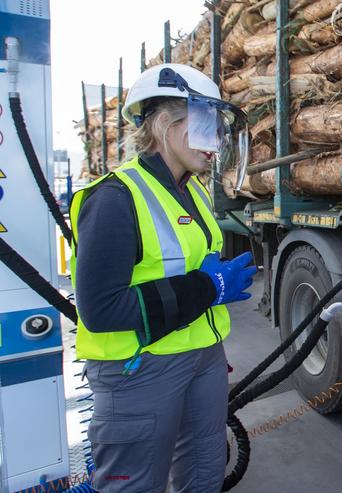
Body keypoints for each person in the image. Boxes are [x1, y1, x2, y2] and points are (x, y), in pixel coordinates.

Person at [69, 63, 256, 493]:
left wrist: (206, 297)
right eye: (209, 126)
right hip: (141, 370)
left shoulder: (193, 190)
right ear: (167, 122)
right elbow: (100, 309)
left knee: (203, 474)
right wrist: (209, 289)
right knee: (134, 485)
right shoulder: (116, 198)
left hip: (202, 357)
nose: (217, 144)